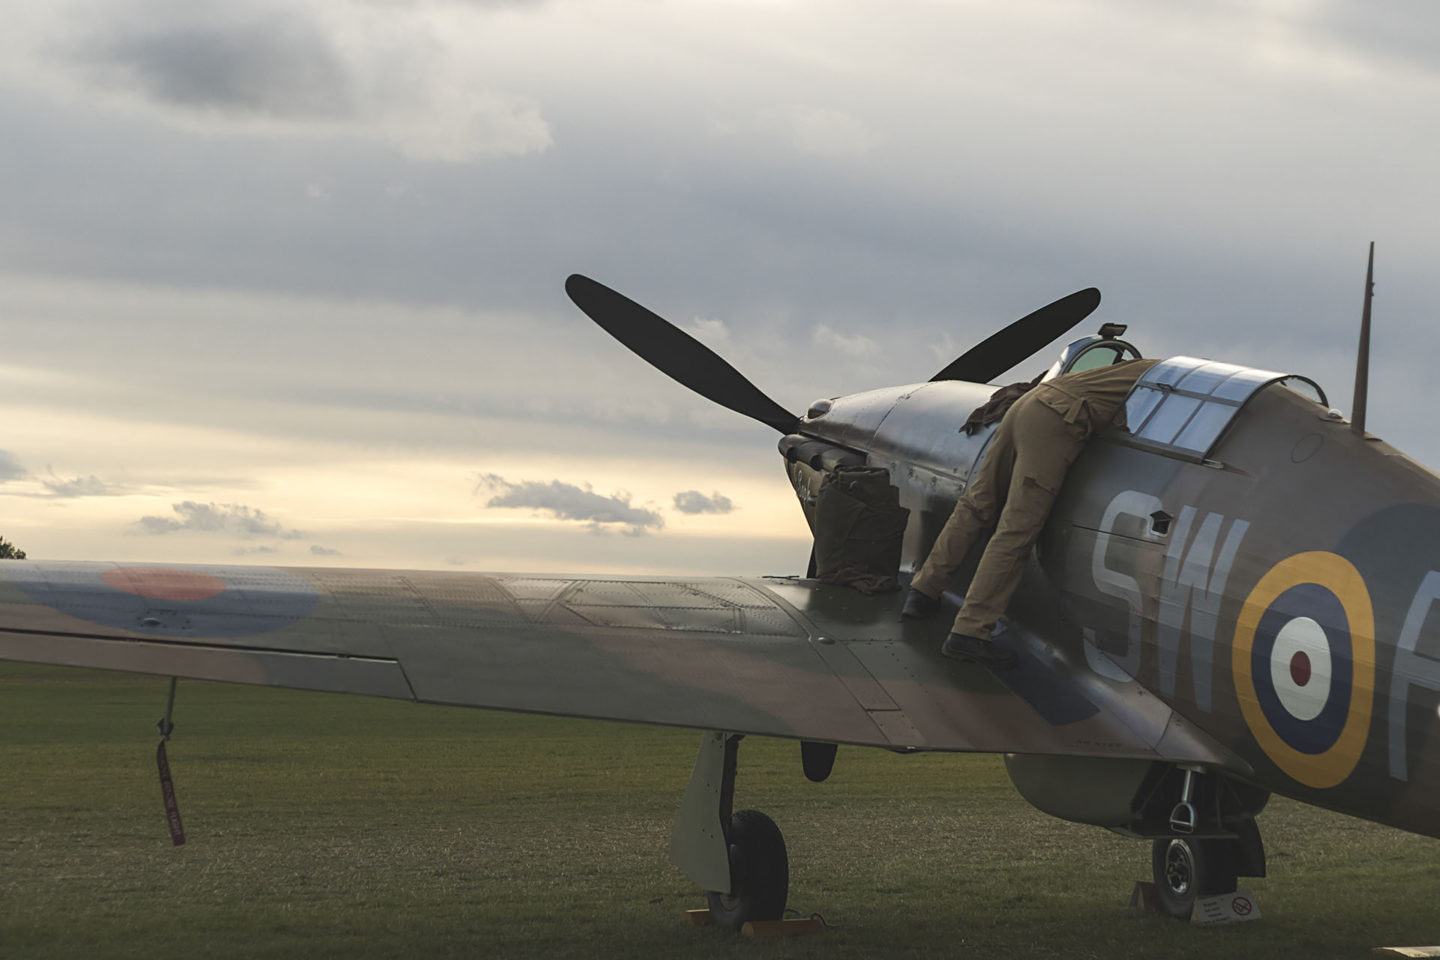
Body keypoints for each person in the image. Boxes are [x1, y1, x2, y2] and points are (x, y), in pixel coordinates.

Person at [903, 357, 1161, 668]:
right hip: (1057, 419)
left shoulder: (1144, 369)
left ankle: (923, 591)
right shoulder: (1173, 386)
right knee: (1018, 528)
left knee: (976, 504)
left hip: (1029, 404)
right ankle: (969, 632)